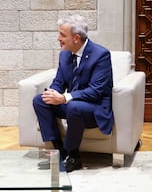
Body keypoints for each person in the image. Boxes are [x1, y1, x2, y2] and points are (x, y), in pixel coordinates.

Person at [33, 14, 114, 172]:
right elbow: (59, 82)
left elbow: (95, 91)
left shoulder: (101, 55)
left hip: (94, 109)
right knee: (40, 100)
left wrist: (64, 98)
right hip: (72, 105)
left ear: (76, 38)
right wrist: (53, 94)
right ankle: (59, 151)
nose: (58, 38)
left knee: (74, 106)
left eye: (62, 35)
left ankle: (73, 155)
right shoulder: (64, 54)